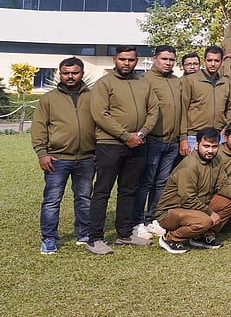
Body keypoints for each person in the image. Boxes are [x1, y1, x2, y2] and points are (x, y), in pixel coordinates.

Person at [88, 45, 160, 255]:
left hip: (138, 143)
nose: (126, 63)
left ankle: (124, 233)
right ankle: (95, 238)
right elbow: (100, 114)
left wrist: (141, 134)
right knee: (102, 191)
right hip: (110, 145)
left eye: (130, 59)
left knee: (129, 190)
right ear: (114, 60)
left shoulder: (143, 84)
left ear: (136, 61)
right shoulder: (104, 84)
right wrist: (125, 136)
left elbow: (154, 109)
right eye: (122, 59)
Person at [31, 57, 95, 254]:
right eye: (66, 73)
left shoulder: (93, 97)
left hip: (86, 158)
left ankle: (84, 233)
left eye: (74, 72)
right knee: (52, 200)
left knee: (84, 198)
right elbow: (39, 127)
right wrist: (42, 153)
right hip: (57, 159)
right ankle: (49, 238)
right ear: (60, 73)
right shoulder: (49, 99)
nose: (70, 76)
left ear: (82, 73)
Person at [153, 127, 231, 253]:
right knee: (204, 221)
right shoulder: (189, 166)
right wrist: (210, 213)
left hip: (197, 205)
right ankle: (170, 239)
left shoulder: (217, 160)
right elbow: (188, 199)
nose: (210, 150)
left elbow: (222, 184)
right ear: (197, 145)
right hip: (170, 211)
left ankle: (203, 236)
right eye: (206, 146)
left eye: (214, 146)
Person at [136, 45, 184, 240]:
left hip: (172, 142)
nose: (168, 63)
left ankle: (153, 218)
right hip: (153, 140)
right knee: (146, 182)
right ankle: (138, 221)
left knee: (162, 183)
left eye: (171, 60)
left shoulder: (176, 81)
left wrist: (181, 137)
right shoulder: (145, 80)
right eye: (164, 59)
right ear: (155, 58)